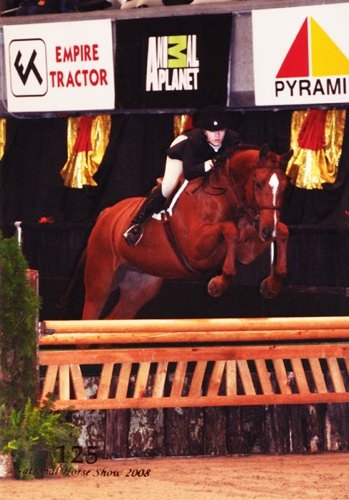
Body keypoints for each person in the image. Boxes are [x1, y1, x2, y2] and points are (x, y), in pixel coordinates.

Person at [123, 105, 241, 246]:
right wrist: (210, 163)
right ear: (204, 131)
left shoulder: (233, 139)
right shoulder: (193, 142)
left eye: (221, 131)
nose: (217, 136)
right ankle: (136, 224)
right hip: (182, 154)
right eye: (212, 131)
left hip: (206, 158)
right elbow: (189, 172)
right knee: (168, 187)